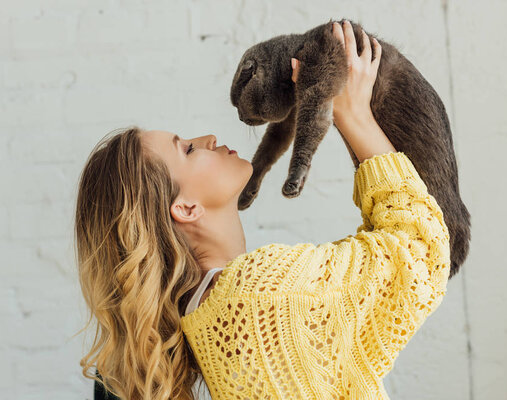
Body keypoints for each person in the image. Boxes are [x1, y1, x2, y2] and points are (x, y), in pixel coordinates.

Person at [76, 19, 451, 400]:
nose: (207, 138)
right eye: (187, 149)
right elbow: (421, 252)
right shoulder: (257, 295)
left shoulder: (205, 322)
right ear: (186, 208)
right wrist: (354, 115)